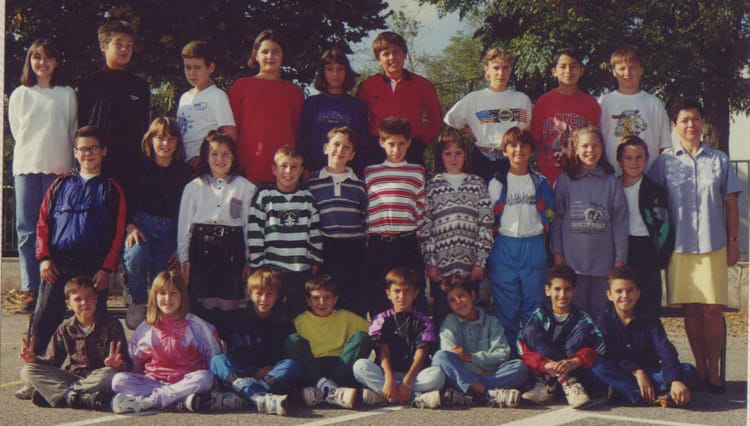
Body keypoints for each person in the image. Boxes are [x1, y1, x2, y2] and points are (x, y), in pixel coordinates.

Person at [648, 98, 742, 393]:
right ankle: (700, 369)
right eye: (685, 120)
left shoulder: (719, 160)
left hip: (714, 245)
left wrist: (733, 241)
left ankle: (713, 370)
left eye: (696, 119)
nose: (691, 125)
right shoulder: (664, 162)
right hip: (679, 247)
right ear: (674, 125)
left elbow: (731, 204)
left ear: (703, 123)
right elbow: (650, 201)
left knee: (712, 310)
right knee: (691, 311)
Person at [31, 125, 126, 356]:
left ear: (104, 151)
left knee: (94, 322)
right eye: (83, 149)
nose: (88, 154)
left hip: (93, 266)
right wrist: (44, 258)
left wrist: (106, 268)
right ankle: (37, 363)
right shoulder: (60, 184)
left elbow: (118, 232)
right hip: (57, 263)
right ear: (75, 152)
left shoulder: (111, 188)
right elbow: (43, 223)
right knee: (44, 316)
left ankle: (93, 368)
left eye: (94, 148)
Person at [8, 38, 77, 313]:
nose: (42, 63)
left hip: (58, 169)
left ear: (56, 62)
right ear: (30, 61)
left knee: (56, 230)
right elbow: (17, 131)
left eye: (48, 57)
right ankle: (30, 289)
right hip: (26, 168)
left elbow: (72, 129)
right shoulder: (20, 94)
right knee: (26, 230)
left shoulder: (67, 94)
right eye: (37, 57)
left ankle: (56, 290)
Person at [110, 271, 222, 414]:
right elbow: (136, 365)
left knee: (206, 378)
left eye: (173, 293)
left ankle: (149, 402)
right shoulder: (144, 329)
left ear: (182, 296)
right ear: (154, 297)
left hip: (186, 381)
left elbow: (213, 358)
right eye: (162, 293)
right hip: (154, 383)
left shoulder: (197, 326)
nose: (168, 298)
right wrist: (120, 366)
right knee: (118, 381)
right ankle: (179, 400)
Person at [177, 130, 257, 327]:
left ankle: (226, 342)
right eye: (214, 154)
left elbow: (249, 227)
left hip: (232, 247)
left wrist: (249, 260)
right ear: (206, 157)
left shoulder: (245, 187)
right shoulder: (194, 187)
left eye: (225, 154)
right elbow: (185, 226)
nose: (220, 159)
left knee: (229, 304)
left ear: (233, 156)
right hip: (201, 247)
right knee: (204, 305)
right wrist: (184, 259)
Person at [551, 125, 628, 320]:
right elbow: (557, 219)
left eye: (595, 145)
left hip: (604, 263)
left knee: (601, 315)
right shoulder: (565, 181)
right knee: (575, 316)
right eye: (585, 146)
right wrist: (557, 252)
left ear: (602, 148)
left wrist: (620, 257)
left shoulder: (611, 182)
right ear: (575, 149)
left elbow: (620, 222)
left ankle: (600, 342)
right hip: (573, 262)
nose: (590, 150)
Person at [122, 117, 193, 330]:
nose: (165, 144)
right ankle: (137, 300)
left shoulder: (185, 173)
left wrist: (181, 248)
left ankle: (157, 313)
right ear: (150, 140)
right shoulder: (138, 169)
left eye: (171, 139)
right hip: (142, 226)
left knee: (164, 276)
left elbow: (189, 212)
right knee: (136, 255)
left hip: (172, 230)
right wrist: (130, 227)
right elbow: (125, 203)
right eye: (160, 138)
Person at [19, 276, 131, 410]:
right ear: (68, 304)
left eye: (89, 297)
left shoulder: (112, 325)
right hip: (73, 378)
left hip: (98, 377)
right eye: (78, 299)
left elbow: (127, 363)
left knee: (109, 375)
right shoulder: (65, 329)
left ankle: (60, 395)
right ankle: (77, 397)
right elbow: (53, 362)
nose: (84, 302)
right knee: (28, 370)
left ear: (96, 299)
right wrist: (33, 360)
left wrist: (118, 365)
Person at [487, 127, 554, 348]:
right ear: (504, 151)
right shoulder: (497, 182)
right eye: (513, 146)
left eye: (524, 146)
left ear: (531, 151)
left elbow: (550, 216)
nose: (519, 150)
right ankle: (508, 350)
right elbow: (487, 217)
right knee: (506, 302)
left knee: (534, 302)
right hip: (505, 244)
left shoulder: (540, 182)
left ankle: (532, 350)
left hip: (534, 244)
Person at [418, 129, 493, 326]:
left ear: (465, 155)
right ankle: (443, 345)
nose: (453, 158)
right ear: (440, 155)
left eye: (458, 153)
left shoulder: (477, 184)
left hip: (470, 266)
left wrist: (480, 263)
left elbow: (485, 225)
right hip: (441, 268)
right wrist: (431, 263)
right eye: (448, 153)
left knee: (471, 313)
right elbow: (426, 227)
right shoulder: (432, 185)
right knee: (443, 314)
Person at [592, 266, 696, 406]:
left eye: (630, 291)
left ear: (638, 293)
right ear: (609, 295)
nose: (625, 296)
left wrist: (675, 380)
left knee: (688, 370)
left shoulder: (649, 318)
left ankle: (629, 392)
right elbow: (611, 354)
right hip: (623, 371)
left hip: (651, 372)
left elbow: (665, 349)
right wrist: (636, 371)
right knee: (598, 368)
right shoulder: (604, 321)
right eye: (619, 291)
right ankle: (652, 395)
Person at [210, 268, 302, 416]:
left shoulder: (283, 321)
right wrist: (253, 372)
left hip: (269, 377)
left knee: (292, 365)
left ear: (277, 296)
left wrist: (264, 373)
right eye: (259, 293)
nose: (264, 299)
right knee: (218, 360)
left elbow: (282, 356)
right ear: (250, 294)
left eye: (269, 294)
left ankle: (245, 396)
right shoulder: (235, 318)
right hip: (242, 373)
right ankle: (260, 398)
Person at [353, 268, 446, 409]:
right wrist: (389, 379)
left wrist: (407, 382)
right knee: (359, 366)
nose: (402, 296)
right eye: (397, 291)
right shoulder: (380, 319)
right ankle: (414, 397)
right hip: (387, 374)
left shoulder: (424, 321)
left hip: (414, 375)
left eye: (407, 291)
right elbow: (382, 350)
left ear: (415, 293)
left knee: (437, 375)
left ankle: (385, 396)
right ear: (388, 294)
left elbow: (421, 354)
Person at [77, 20, 150, 199]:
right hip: (97, 163)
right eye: (118, 44)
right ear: (104, 46)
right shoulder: (89, 84)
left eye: (129, 46)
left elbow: (145, 127)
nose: (124, 49)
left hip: (131, 166)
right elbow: (81, 126)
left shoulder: (140, 86)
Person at [248, 145, 323, 316]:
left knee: (297, 314)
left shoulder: (307, 199)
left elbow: (314, 232)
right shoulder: (265, 197)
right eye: (284, 166)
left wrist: (315, 260)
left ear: (301, 170)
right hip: (272, 268)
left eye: (294, 166)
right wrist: (258, 264)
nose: (288, 171)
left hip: (300, 269)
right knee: (273, 314)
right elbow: (255, 232)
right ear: (274, 169)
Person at [517, 264, 605, 408]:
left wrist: (576, 361)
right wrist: (545, 364)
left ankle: (570, 383)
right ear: (547, 290)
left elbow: (599, 346)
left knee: (584, 330)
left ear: (575, 291)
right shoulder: (539, 316)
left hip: (575, 370)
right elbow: (521, 346)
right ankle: (561, 381)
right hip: (544, 372)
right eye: (557, 289)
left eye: (567, 289)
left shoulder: (583, 318)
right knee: (529, 331)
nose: (562, 295)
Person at [431, 277, 528, 408]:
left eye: (461, 296)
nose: (458, 302)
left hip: (485, 375)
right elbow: (450, 357)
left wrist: (471, 357)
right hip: (470, 373)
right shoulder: (449, 323)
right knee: (440, 357)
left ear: (472, 295)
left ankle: (468, 393)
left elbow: (502, 354)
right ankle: (487, 393)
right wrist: (480, 372)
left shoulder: (492, 322)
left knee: (520, 368)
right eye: (452, 300)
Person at [364, 117, 426, 317]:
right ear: (382, 142)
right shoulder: (370, 172)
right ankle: (381, 335)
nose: (396, 149)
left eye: (401, 144)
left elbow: (421, 210)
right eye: (391, 144)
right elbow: (366, 209)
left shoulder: (417, 172)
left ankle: (416, 334)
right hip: (378, 244)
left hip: (406, 243)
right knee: (378, 295)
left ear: (409, 143)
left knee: (411, 294)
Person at [444, 48, 532, 183]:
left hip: (512, 160)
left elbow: (525, 131)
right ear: (487, 69)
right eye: (496, 68)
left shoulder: (522, 99)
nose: (501, 73)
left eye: (505, 68)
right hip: (482, 160)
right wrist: (472, 132)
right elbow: (451, 119)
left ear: (511, 69)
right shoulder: (474, 98)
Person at [305, 126, 368, 315]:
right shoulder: (312, 182)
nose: (340, 150)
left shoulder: (359, 184)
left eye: (346, 147)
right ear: (326, 148)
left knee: (353, 298)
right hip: (326, 247)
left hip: (353, 247)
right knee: (327, 296)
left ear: (352, 154)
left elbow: (364, 214)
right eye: (336, 144)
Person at [229, 29, 303, 183]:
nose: (270, 56)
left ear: (282, 55)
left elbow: (298, 131)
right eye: (265, 52)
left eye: (275, 52)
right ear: (256, 55)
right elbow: (232, 129)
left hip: (285, 172)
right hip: (246, 170)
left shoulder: (294, 91)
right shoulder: (241, 86)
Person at [285, 275, 371, 409]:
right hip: (313, 368)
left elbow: (373, 330)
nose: (322, 302)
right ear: (308, 300)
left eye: (327, 297)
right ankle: (329, 389)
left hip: (340, 366)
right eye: (316, 298)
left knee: (362, 337)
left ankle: (322, 392)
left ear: (335, 299)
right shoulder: (299, 321)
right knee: (292, 340)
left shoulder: (346, 317)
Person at [357, 31, 441, 167]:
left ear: (405, 55)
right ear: (378, 59)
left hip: (411, 149)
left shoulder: (423, 85)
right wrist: (366, 143)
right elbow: (359, 120)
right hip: (376, 150)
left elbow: (435, 118)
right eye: (386, 54)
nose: (392, 58)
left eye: (396, 52)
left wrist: (421, 142)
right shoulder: (368, 86)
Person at [615, 136, 673, 317]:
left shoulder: (655, 191)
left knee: (649, 303)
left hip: (647, 250)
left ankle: (650, 335)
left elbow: (665, 226)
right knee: (622, 303)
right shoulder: (612, 188)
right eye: (628, 158)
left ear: (646, 159)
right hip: (621, 250)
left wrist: (660, 256)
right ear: (619, 161)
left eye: (639, 157)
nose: (634, 162)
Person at [531, 48, 601, 184]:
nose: (568, 71)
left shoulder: (591, 103)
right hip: (549, 176)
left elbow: (596, 143)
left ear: (581, 70)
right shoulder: (543, 102)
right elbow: (535, 140)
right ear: (554, 71)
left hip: (581, 176)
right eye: (563, 66)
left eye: (573, 66)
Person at [599, 45, 671, 174]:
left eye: (633, 68)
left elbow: (664, 146)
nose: (627, 73)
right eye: (622, 68)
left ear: (641, 70)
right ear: (614, 71)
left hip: (647, 178)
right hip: (611, 177)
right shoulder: (603, 102)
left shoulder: (654, 103)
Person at [297, 48, 368, 174]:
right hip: (315, 171)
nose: (335, 74)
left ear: (346, 72)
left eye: (340, 69)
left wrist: (357, 170)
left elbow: (361, 142)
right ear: (322, 72)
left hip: (347, 171)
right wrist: (305, 166)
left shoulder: (357, 105)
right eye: (329, 69)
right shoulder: (312, 103)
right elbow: (303, 139)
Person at [176, 40, 237, 168]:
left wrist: (207, 159)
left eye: (198, 68)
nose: (192, 73)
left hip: (204, 165)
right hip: (182, 163)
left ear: (211, 68)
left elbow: (230, 134)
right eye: (188, 67)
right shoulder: (184, 98)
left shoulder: (217, 95)